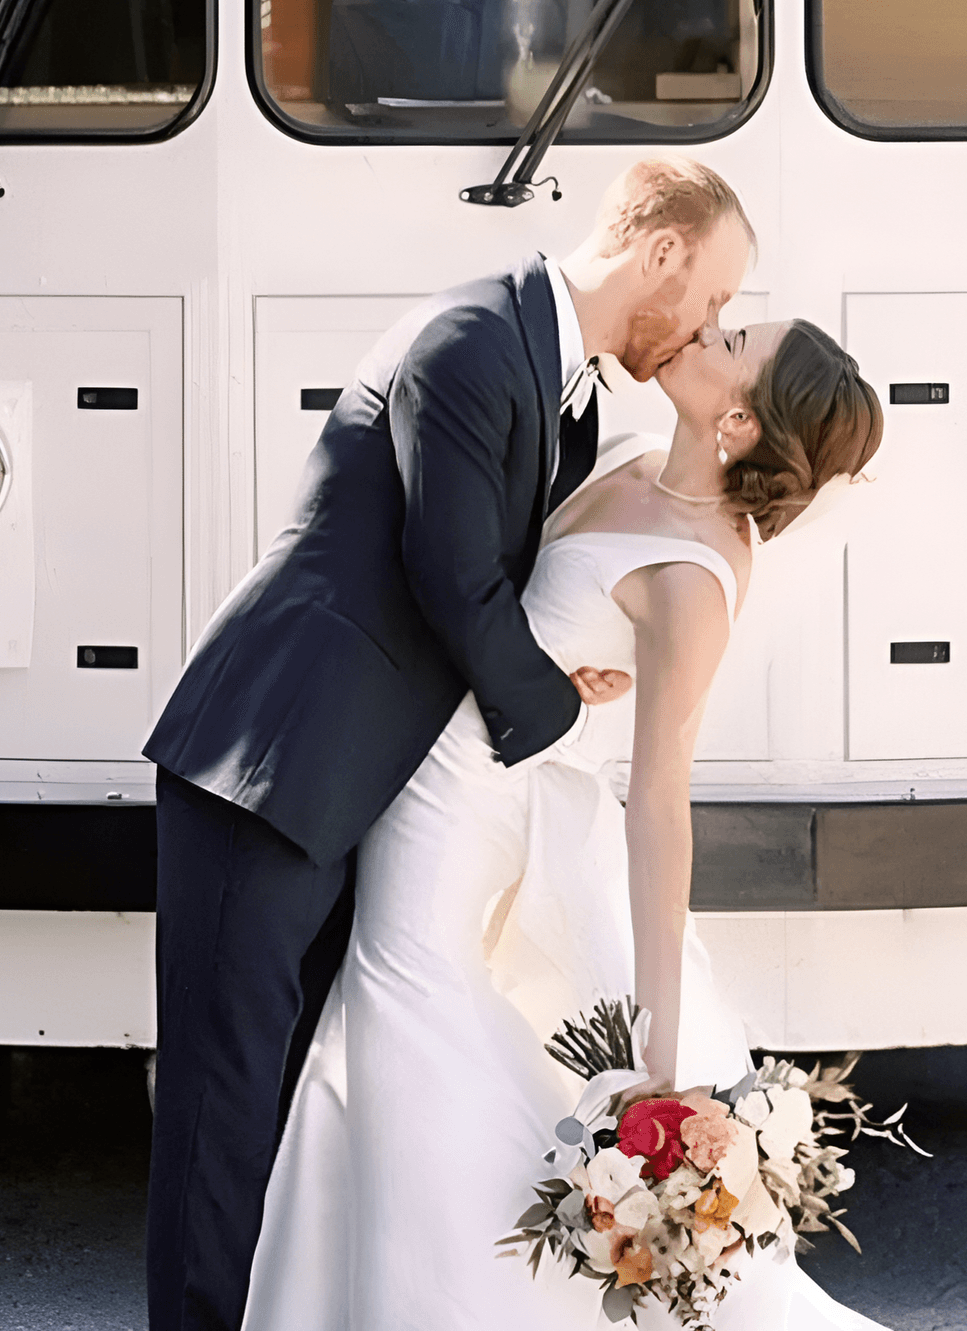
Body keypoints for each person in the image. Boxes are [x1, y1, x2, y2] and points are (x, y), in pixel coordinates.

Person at [143, 157, 756, 1331]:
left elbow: (487, 591)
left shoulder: (568, 396)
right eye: (714, 295)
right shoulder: (472, 339)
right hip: (268, 762)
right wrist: (558, 706)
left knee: (277, 1104)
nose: (709, 322)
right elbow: (450, 574)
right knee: (222, 1113)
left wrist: (546, 664)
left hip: (350, 788)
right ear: (663, 251)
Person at [241, 316, 888, 1330]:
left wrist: (665, 1053)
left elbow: (663, 798)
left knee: (400, 1014)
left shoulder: (695, 574)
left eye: (734, 340)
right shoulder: (628, 454)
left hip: (471, 802)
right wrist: (543, 673)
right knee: (392, 1033)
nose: (708, 326)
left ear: (738, 416)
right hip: (448, 761)